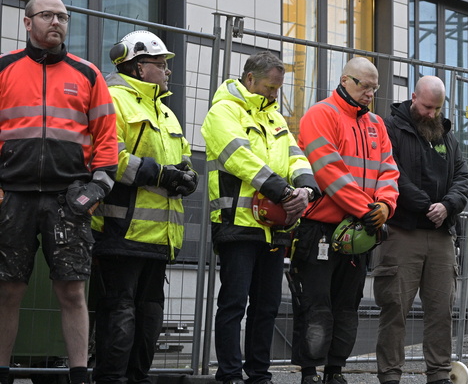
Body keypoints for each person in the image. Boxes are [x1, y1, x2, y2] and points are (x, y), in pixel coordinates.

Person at [0, 0, 118, 384]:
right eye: (47, 15)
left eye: (63, 17)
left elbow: (106, 139)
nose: (56, 22)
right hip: (11, 197)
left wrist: (97, 189)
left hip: (67, 200)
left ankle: (79, 376)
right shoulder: (4, 69)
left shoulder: (87, 74)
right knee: (8, 290)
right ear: (27, 22)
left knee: (72, 292)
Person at [202, 51, 319, 384]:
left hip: (273, 226)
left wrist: (306, 190)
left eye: (278, 88)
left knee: (266, 305)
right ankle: (229, 374)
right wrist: (285, 193)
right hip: (237, 224)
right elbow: (239, 158)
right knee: (234, 304)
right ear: (250, 79)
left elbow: (296, 157)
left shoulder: (275, 119)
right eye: (270, 87)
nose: (274, 94)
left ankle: (258, 374)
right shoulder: (223, 111)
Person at [90, 30, 198, 384]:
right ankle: (111, 379)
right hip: (121, 232)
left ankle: (136, 377)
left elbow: (183, 163)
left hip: (159, 238)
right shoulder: (113, 100)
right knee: (119, 313)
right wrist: (161, 175)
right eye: (160, 63)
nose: (167, 70)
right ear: (138, 68)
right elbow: (109, 157)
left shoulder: (166, 113)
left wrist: (187, 177)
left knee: (149, 315)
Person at [293, 56, 399, 384]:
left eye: (374, 88)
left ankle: (334, 370)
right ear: (345, 80)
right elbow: (328, 171)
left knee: (347, 306)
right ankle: (310, 371)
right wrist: (368, 210)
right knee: (316, 304)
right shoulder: (320, 115)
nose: (370, 93)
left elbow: (389, 171)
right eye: (365, 86)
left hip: (359, 229)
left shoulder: (376, 125)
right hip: (323, 229)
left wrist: (385, 205)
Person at [375, 76, 468, 384]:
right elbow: (391, 173)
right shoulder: (391, 129)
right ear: (413, 97)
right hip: (402, 231)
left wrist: (448, 205)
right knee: (395, 307)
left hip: (441, 234)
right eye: (428, 106)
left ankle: (439, 375)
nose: (432, 114)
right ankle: (390, 375)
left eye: (438, 108)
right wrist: (428, 205)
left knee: (442, 309)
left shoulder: (447, 135)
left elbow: (462, 177)